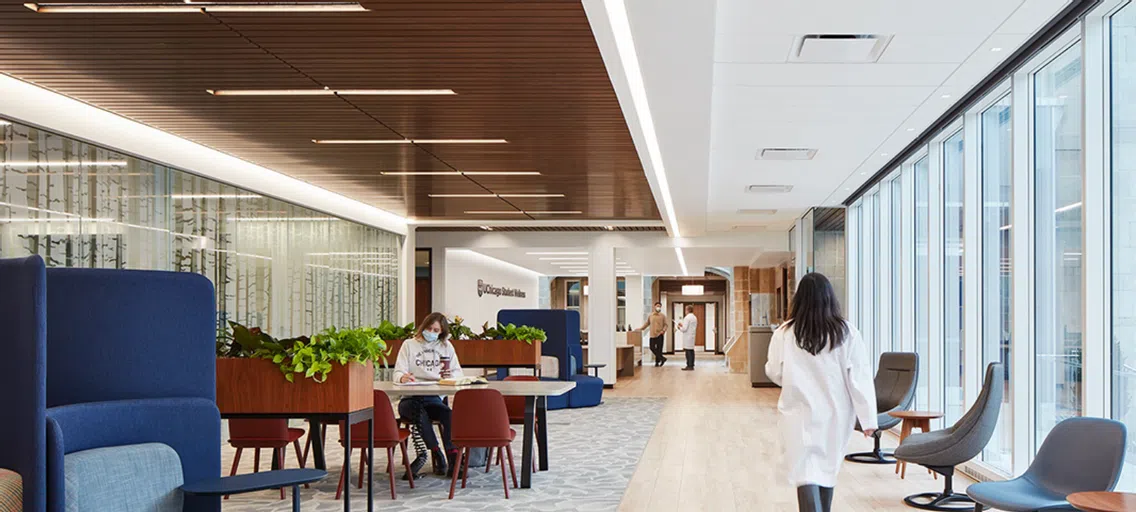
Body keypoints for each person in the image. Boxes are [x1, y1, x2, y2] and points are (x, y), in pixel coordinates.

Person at [765, 273, 877, 512]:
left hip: (797, 413)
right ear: (830, 298)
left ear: (799, 300)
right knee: (826, 470)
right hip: (835, 414)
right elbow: (860, 378)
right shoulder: (847, 332)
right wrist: (868, 419)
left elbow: (774, 372)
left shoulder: (785, 333)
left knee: (806, 470)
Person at [393, 312, 464, 479]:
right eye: (429, 328)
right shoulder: (409, 345)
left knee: (448, 414)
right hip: (410, 399)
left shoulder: (446, 346)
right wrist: (403, 377)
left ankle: (453, 456)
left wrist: (449, 377)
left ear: (442, 332)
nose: (431, 332)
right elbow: (397, 373)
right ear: (423, 327)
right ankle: (436, 452)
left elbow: (458, 372)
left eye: (436, 330)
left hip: (433, 398)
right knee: (419, 414)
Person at [639, 301, 668, 366]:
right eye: (657, 306)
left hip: (660, 334)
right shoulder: (651, 315)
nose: (658, 307)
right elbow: (647, 323)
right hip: (652, 334)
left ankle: (657, 362)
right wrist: (641, 328)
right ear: (654, 307)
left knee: (659, 349)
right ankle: (662, 358)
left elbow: (666, 325)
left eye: (659, 306)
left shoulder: (663, 316)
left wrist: (663, 331)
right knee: (652, 347)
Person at [676, 305, 698, 371]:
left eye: (685, 310)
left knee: (688, 352)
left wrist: (679, 327)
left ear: (687, 310)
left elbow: (684, 329)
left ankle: (689, 365)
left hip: (687, 337)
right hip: (692, 336)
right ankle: (692, 365)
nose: (685, 311)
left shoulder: (687, 318)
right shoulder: (694, 317)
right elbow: (690, 327)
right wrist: (682, 325)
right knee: (691, 351)